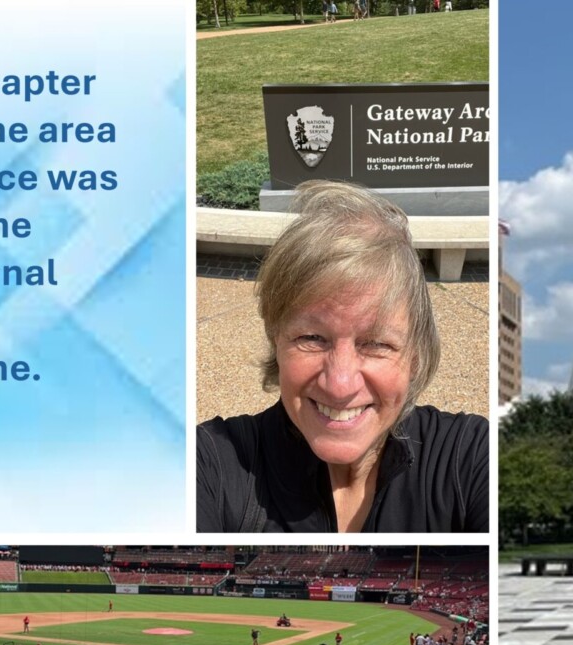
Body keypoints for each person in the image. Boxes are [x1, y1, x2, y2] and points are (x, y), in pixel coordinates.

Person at [196, 181, 489, 532]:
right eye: (311, 338)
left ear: (416, 355)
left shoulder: (471, 457)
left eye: (376, 344)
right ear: (277, 342)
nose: (340, 385)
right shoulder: (210, 463)